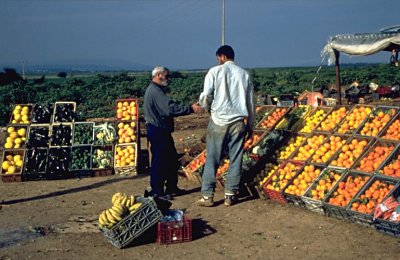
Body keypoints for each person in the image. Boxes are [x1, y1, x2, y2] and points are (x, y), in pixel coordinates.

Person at [196, 45, 255, 207]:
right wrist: (250, 125)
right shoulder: (244, 74)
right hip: (238, 122)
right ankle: (230, 195)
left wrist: (208, 109)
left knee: (212, 159)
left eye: (218, 58)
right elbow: (250, 103)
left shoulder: (214, 72)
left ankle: (208, 196)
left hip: (218, 121)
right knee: (236, 158)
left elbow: (206, 96)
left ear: (222, 57)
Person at [144, 66, 204, 200]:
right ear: (159, 75)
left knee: (170, 160)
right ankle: (157, 191)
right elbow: (169, 108)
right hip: (158, 130)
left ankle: (171, 187)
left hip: (160, 130)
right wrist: (190, 108)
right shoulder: (155, 92)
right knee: (159, 161)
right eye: (166, 76)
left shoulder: (155, 90)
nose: (168, 79)